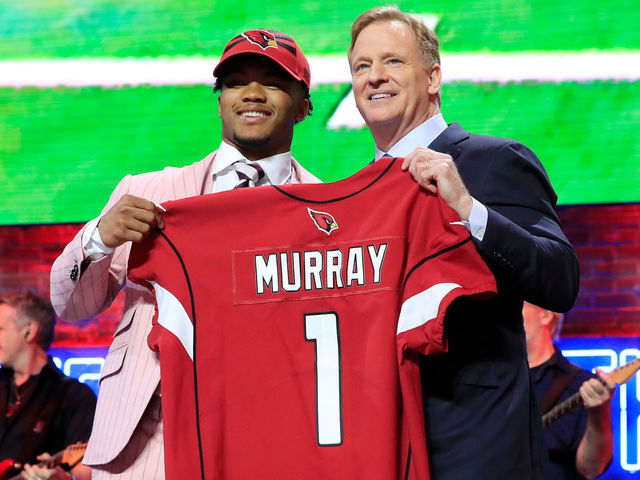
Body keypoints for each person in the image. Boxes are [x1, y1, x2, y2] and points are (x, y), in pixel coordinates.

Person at [49, 29, 319, 479]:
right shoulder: (147, 189)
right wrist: (99, 237)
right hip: (146, 440)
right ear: (219, 101)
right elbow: (70, 305)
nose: (251, 93)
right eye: (235, 82)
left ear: (302, 105)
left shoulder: (326, 211)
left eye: (272, 82)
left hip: (270, 435)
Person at [348, 6, 580, 479]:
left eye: (392, 61)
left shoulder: (493, 160)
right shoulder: (354, 195)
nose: (374, 77)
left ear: (433, 78)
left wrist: (470, 210)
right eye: (362, 66)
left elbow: (560, 279)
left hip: (481, 449)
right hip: (383, 447)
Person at [0, 291, 95, 480]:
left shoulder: (74, 396)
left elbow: (87, 472)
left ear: (29, 331)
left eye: (0, 328)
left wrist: (63, 477)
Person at [523, 301, 614, 479]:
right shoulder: (493, 383)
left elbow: (592, 468)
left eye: (517, 305)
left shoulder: (581, 384)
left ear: (546, 315)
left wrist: (599, 412)